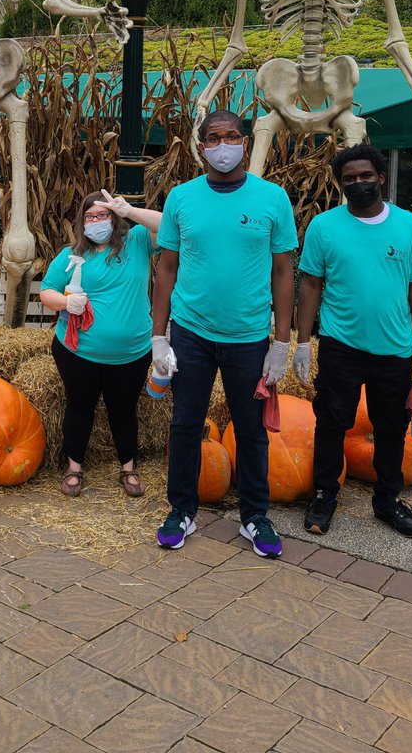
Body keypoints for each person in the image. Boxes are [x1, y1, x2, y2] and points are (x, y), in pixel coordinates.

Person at [152, 109, 298, 554]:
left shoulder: (272, 199)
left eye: (231, 136)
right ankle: (181, 510)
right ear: (201, 148)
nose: (222, 145)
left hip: (249, 336)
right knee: (185, 424)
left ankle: (255, 517)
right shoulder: (181, 198)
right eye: (213, 138)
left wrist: (281, 341)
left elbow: (283, 272)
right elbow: (167, 268)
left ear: (245, 142)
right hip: (191, 333)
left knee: (251, 430)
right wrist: (159, 336)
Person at [296, 142, 412, 539]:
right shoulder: (325, 227)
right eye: (349, 179)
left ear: (381, 177)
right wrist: (301, 341)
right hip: (341, 346)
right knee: (331, 422)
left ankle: (388, 499)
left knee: (391, 427)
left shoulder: (409, 227)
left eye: (365, 176)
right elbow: (310, 283)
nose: (358, 183)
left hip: (393, 348)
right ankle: (325, 494)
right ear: (341, 184)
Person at [40, 188, 161, 498]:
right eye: (90, 216)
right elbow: (47, 292)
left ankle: (128, 467)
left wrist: (130, 210)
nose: (96, 221)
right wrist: (67, 304)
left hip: (132, 352)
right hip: (78, 351)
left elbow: (167, 226)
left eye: (103, 215)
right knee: (80, 406)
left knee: (124, 409)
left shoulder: (136, 243)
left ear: (114, 217)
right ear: (82, 222)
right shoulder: (72, 255)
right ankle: (74, 468)